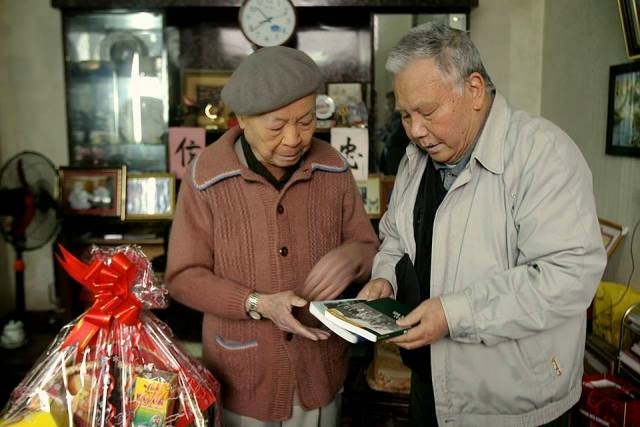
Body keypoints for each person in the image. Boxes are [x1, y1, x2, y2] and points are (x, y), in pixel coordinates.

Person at [357, 22, 607, 426]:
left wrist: (454, 314)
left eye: (427, 112)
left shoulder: (542, 154)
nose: (416, 131)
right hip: (429, 382)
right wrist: (385, 277)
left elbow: (568, 276)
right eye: (405, 115)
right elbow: (395, 237)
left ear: (474, 89)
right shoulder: (415, 159)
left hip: (514, 403)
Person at [165, 46, 379, 425]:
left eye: (307, 121)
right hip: (243, 373)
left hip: (320, 367)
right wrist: (257, 303)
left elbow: (367, 246)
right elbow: (182, 277)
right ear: (243, 121)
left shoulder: (332, 167)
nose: (294, 138)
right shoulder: (207, 176)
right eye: (277, 127)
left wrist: (353, 259)